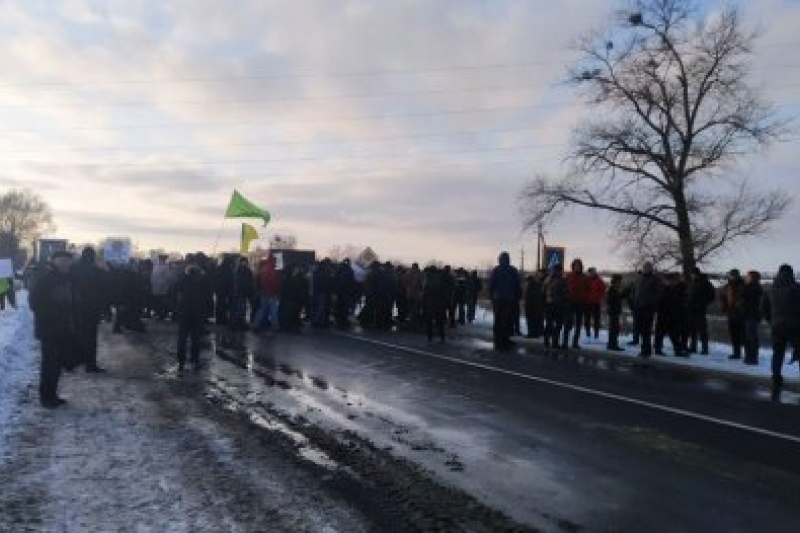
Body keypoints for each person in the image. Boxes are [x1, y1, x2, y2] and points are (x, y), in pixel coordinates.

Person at [29, 251, 76, 408]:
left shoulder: (66, 278)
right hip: (49, 329)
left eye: (68, 261)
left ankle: (52, 395)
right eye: (62, 261)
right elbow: (33, 303)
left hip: (62, 328)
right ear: (54, 261)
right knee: (49, 364)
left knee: (56, 364)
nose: (65, 264)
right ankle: (46, 397)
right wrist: (55, 310)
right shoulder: (46, 279)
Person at [761, 264, 800, 396]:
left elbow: (764, 308)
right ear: (791, 274)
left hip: (776, 326)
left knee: (778, 352)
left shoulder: (770, 289)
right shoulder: (797, 288)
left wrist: (771, 321)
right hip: (795, 326)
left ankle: (776, 378)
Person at [70, 246, 108, 372]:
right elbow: (104, 290)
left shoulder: (73, 269)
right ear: (93, 257)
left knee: (76, 336)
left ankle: (73, 362)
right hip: (92, 310)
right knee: (90, 338)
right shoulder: (97, 271)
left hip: (75, 308)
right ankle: (90, 364)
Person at [174, 255, 208, 371]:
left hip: (184, 312)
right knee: (195, 338)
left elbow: (176, 292)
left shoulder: (182, 277)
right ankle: (194, 360)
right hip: (197, 312)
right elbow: (206, 296)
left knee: (182, 337)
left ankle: (181, 361)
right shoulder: (202, 278)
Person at [489, 252, 521, 351]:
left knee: (498, 321)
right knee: (507, 321)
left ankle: (498, 341)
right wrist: (517, 297)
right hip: (509, 300)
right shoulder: (513, 270)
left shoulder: (496, 270)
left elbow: (491, 285)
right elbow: (517, 286)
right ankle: (505, 341)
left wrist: (491, 297)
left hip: (498, 299)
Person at [632, 262, 664, 358]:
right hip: (638, 307)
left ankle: (646, 350)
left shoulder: (655, 279)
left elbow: (659, 293)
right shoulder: (639, 278)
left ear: (651, 268)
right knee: (641, 329)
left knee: (646, 330)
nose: (645, 269)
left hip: (648, 308)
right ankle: (644, 349)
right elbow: (635, 291)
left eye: (647, 267)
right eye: (644, 267)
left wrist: (650, 302)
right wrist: (634, 302)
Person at [685, 267, 716, 355]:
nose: (693, 275)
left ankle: (705, 349)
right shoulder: (691, 283)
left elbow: (712, 295)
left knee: (702, 330)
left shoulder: (705, 282)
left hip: (700, 309)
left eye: (694, 274)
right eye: (692, 274)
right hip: (691, 309)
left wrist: (703, 302)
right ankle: (693, 347)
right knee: (692, 330)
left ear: (697, 274)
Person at [563, 258, 589, 349]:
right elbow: (564, 288)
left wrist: (585, 299)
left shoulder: (584, 277)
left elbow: (587, 290)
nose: (577, 267)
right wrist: (565, 298)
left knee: (578, 324)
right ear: (573, 266)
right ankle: (564, 343)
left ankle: (575, 343)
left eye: (579, 266)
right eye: (575, 265)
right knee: (567, 323)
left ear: (581, 267)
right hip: (569, 303)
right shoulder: (568, 276)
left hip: (580, 303)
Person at [720, 269, 745, 360]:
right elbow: (722, 296)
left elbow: (744, 298)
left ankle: (746, 353)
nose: (732, 277)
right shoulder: (727, 286)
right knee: (733, 334)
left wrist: (739, 304)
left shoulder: (742, 285)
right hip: (731, 313)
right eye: (731, 275)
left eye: (734, 275)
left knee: (742, 335)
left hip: (740, 313)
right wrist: (724, 306)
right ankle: (736, 353)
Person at [544, 264, 569, 351]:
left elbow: (543, 292)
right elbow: (566, 293)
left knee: (549, 324)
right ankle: (554, 343)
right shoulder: (562, 281)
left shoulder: (547, 279)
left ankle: (546, 342)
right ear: (560, 271)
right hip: (558, 305)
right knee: (558, 325)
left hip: (549, 305)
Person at [742, 270, 763, 366]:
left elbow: (749, 301)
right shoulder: (753, 287)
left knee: (751, 338)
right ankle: (749, 357)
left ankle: (752, 358)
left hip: (751, 316)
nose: (746, 277)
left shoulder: (754, 288)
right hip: (749, 315)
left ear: (752, 278)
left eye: (748, 276)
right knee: (749, 337)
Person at [422, 265, 447, 343]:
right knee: (439, 321)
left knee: (429, 321)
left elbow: (425, 292)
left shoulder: (428, 279)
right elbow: (444, 292)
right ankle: (442, 336)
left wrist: (424, 302)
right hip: (439, 303)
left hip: (430, 303)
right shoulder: (440, 279)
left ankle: (430, 336)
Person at [584, 267, 606, 339]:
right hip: (587, 302)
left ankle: (596, 333)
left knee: (596, 319)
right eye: (590, 272)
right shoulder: (586, 280)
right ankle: (587, 332)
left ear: (595, 272)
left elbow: (603, 290)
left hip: (596, 302)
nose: (591, 274)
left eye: (593, 272)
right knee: (587, 318)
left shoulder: (599, 281)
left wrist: (599, 297)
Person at [606, 274, 624, 351]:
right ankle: (612, 345)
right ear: (616, 281)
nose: (620, 283)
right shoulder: (612, 289)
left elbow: (618, 298)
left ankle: (612, 344)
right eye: (619, 281)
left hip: (614, 312)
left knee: (614, 329)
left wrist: (625, 293)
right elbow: (611, 301)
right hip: (613, 312)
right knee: (614, 329)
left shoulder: (614, 289)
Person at [524, 271, 545, 338]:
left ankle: (532, 333)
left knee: (531, 320)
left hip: (532, 305)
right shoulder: (538, 285)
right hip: (536, 305)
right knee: (535, 319)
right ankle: (537, 332)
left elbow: (529, 297)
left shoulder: (531, 285)